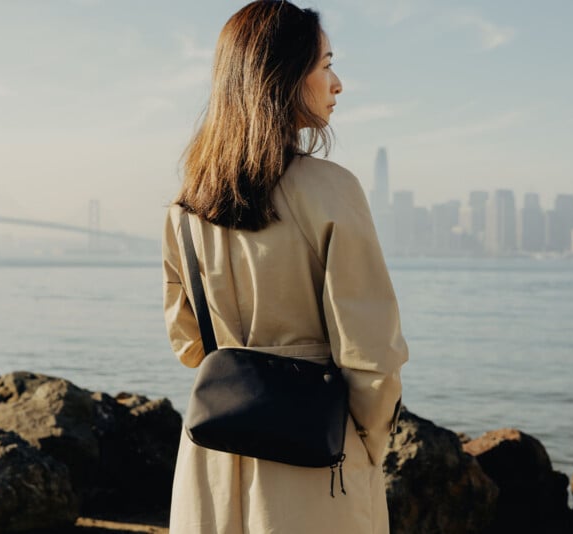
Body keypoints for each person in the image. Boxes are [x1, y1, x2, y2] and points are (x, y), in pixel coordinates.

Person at [162, 1, 408, 532]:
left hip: (213, 453)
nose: (336, 83)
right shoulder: (332, 189)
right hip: (316, 458)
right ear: (284, 76)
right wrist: (366, 443)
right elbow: (372, 354)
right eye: (325, 65)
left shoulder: (185, 208)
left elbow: (187, 345)